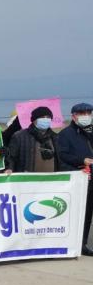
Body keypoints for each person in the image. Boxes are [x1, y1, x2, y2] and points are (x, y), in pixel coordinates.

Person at [57, 102, 93, 255]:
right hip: (82, 178)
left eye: (88, 113)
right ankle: (81, 244)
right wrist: (81, 160)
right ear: (73, 116)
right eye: (81, 113)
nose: (85, 116)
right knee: (83, 213)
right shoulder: (66, 134)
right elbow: (63, 155)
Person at [5, 107, 60, 174]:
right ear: (34, 120)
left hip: (53, 182)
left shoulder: (56, 137)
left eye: (48, 117)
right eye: (42, 117)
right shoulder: (19, 137)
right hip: (28, 181)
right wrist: (9, 168)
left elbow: (61, 160)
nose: (45, 119)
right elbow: (11, 157)